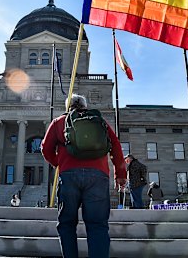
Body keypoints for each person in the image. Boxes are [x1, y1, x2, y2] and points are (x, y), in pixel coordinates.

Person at [42, 94, 127, 258]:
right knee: (98, 225)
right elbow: (115, 145)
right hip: (98, 176)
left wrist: (59, 163)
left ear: (68, 107)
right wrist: (120, 174)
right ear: (84, 105)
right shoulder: (99, 121)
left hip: (69, 176)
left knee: (67, 224)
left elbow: (46, 148)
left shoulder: (59, 122)